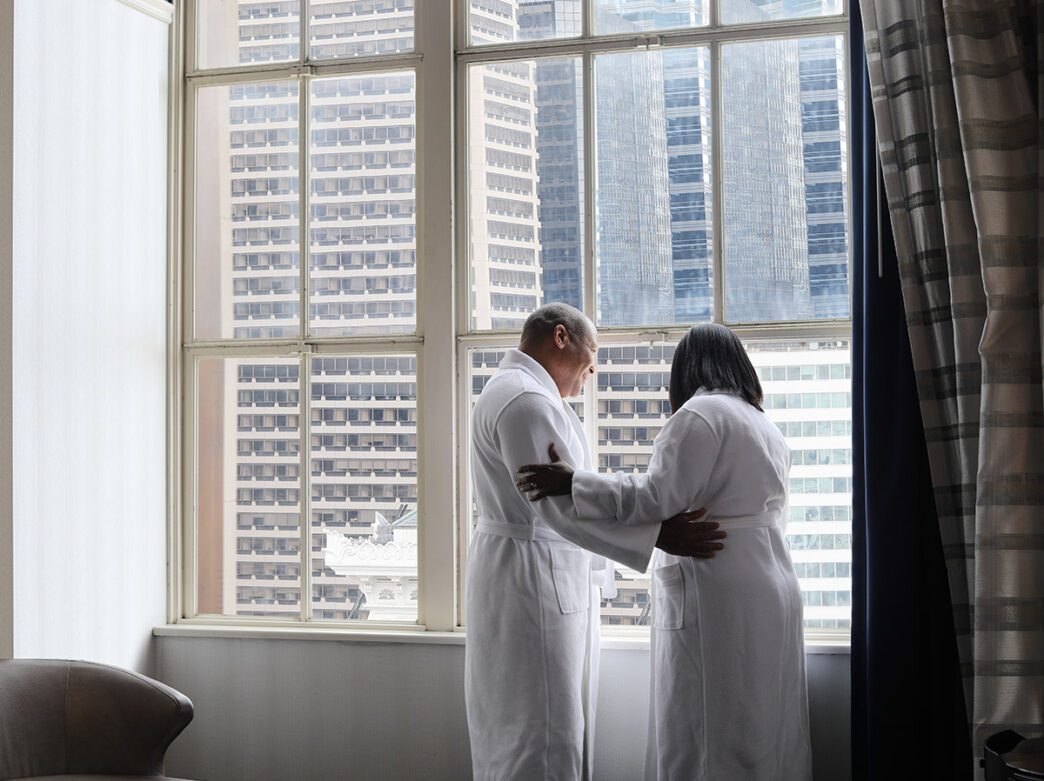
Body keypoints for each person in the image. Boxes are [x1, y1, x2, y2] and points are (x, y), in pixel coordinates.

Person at [517, 323, 812, 781]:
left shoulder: (700, 415)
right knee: (763, 720)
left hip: (717, 584)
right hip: (772, 582)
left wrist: (575, 482)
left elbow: (656, 498)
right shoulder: (761, 422)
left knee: (708, 725)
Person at [465, 303, 728, 781]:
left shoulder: (528, 394)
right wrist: (659, 534)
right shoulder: (525, 400)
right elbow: (559, 508)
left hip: (532, 571)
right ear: (561, 337)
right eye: (593, 351)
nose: (594, 366)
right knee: (540, 731)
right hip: (532, 577)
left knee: (534, 724)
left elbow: (567, 491)